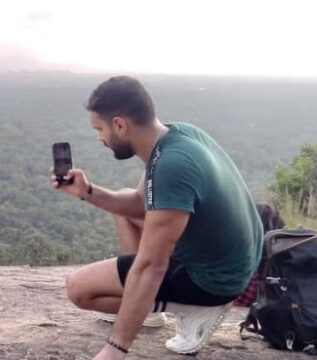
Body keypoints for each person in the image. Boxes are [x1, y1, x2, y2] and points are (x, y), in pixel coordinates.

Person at [54, 76, 263, 358]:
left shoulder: (171, 166)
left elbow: (151, 266)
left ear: (119, 124)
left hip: (214, 279)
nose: (99, 138)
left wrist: (115, 348)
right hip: (229, 260)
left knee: (79, 289)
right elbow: (140, 204)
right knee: (122, 206)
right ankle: (150, 310)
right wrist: (87, 192)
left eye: (100, 129)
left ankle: (197, 310)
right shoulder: (177, 135)